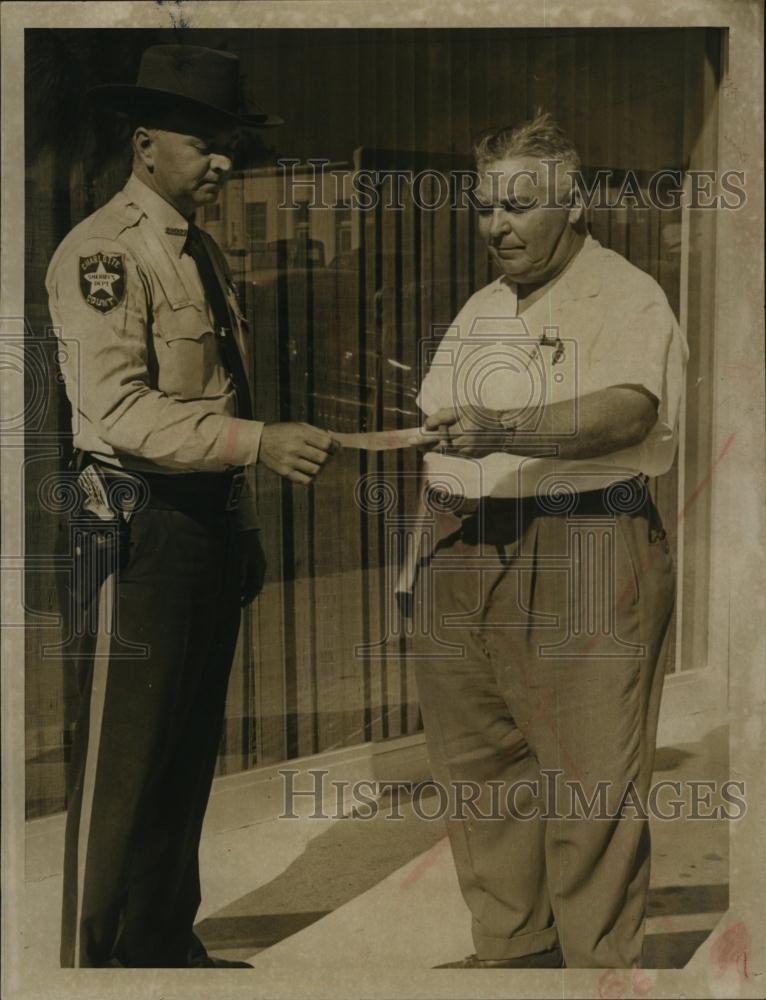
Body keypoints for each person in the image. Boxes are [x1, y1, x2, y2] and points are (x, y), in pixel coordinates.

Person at [46, 44, 338, 968]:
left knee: (183, 753)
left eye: (231, 147)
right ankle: (91, 966)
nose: (224, 162)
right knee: (120, 767)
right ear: (143, 145)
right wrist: (259, 446)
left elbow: (220, 393)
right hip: (132, 529)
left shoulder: (199, 249)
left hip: (201, 525)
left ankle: (162, 947)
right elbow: (118, 411)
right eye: (207, 143)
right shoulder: (104, 252)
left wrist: (241, 523)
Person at [413, 112, 688, 969]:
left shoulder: (626, 291)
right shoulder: (481, 306)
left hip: (586, 547)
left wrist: (503, 426)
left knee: (588, 789)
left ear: (573, 204)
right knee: (483, 781)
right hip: (464, 552)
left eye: (520, 206)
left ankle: (598, 974)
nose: (498, 226)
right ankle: (513, 961)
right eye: (486, 205)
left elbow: (627, 410)